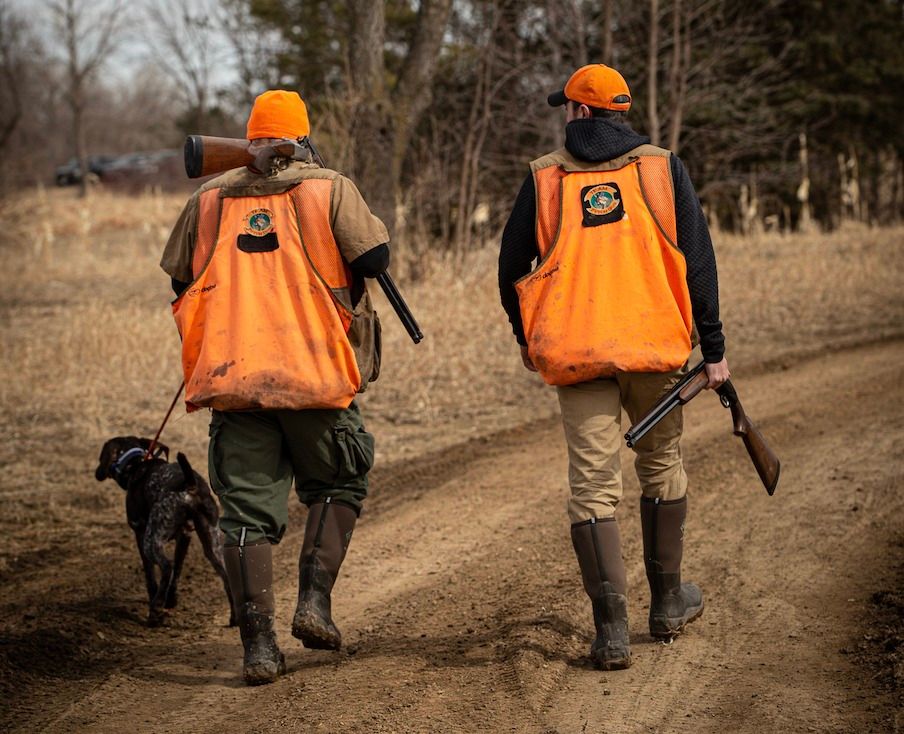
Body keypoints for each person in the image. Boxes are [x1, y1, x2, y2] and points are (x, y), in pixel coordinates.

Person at [497, 64, 730, 670]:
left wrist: (528, 338)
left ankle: (611, 632)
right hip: (655, 348)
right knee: (660, 464)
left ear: (577, 112)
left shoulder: (545, 177)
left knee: (593, 484)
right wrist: (715, 347)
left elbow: (509, 270)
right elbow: (698, 262)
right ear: (620, 113)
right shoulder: (660, 166)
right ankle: (668, 604)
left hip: (576, 355)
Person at [160, 90, 389, 685]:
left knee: (243, 515)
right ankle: (313, 603)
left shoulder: (207, 197)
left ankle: (258, 647)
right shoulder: (328, 187)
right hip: (313, 374)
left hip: (235, 378)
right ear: (302, 135)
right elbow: (376, 257)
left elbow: (180, 279)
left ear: (249, 137)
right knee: (340, 479)